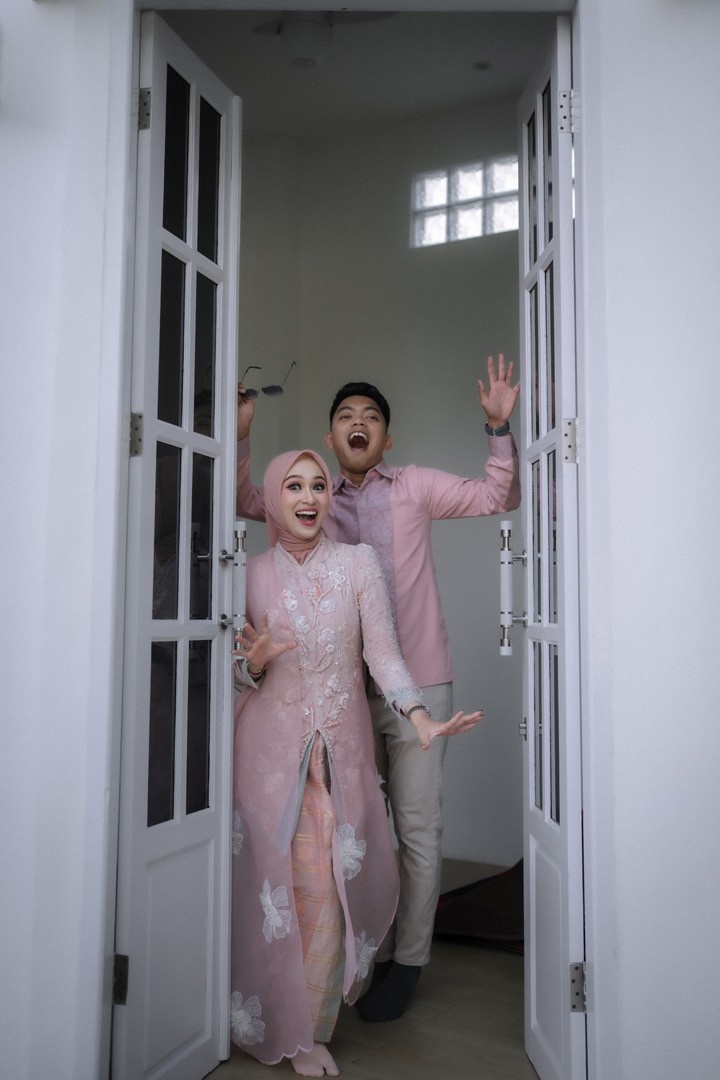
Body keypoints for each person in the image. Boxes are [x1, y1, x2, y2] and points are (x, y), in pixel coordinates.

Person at [235, 355, 520, 1022]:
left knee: (417, 827)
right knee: (361, 829)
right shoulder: (313, 495)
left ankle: (409, 960)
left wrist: (497, 427)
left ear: (387, 438)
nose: (357, 423)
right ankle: (372, 948)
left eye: (370, 417)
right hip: (342, 693)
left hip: (418, 680)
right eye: (345, 417)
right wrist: (242, 433)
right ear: (330, 436)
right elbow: (249, 497)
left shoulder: (415, 486)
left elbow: (495, 496)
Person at [230, 449, 482, 1077]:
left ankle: (307, 1030)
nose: (308, 497)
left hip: (339, 758)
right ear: (274, 498)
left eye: (318, 485)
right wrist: (252, 665)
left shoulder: (358, 564)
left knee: (322, 892)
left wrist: (418, 715)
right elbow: (234, 674)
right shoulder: (248, 574)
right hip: (266, 760)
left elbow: (385, 656)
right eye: (294, 486)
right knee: (272, 892)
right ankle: (276, 1022)